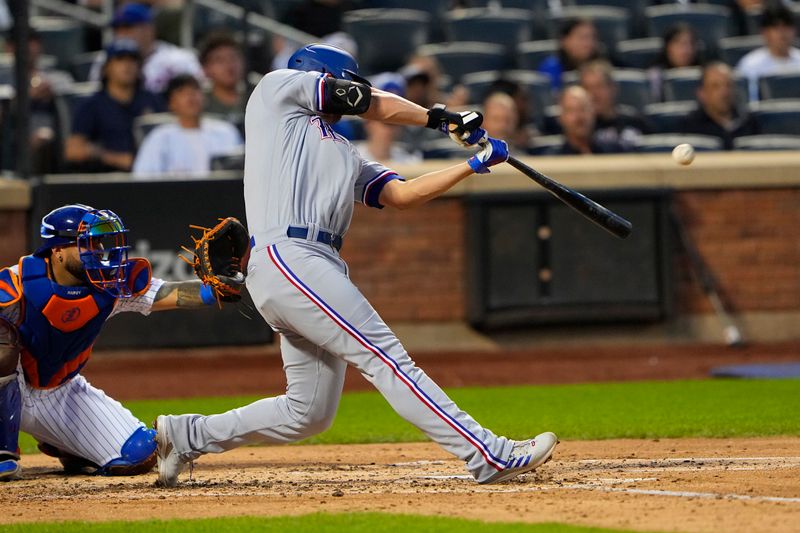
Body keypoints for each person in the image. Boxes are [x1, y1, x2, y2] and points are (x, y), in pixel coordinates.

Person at [154, 43, 558, 487]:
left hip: (311, 265)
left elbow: (400, 195)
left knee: (307, 412)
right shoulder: (276, 91)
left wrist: (472, 164)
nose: (353, 90)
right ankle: (488, 454)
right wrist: (441, 118)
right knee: (387, 359)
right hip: (291, 257)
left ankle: (187, 433)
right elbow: (368, 101)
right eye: (347, 81)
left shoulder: (344, 151)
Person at [0, 204, 239, 480]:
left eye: (99, 241)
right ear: (58, 251)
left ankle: (66, 444)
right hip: (11, 383)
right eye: (87, 243)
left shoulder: (108, 282)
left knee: (138, 453)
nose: (98, 250)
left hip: (59, 391)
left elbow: (167, 293)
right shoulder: (17, 284)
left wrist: (215, 289)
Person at [65, 39, 164, 173]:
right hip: (106, 179)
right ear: (106, 68)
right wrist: (113, 158)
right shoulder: (91, 105)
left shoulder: (153, 100)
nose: (127, 65)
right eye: (120, 60)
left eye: (132, 60)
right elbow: (73, 151)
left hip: (150, 174)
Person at [132, 74, 243, 178]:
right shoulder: (159, 137)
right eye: (182, 92)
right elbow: (143, 177)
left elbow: (242, 170)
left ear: (204, 98)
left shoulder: (226, 131)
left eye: (195, 90)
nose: (190, 96)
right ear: (171, 103)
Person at [89, 3, 203, 94]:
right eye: (117, 30)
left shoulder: (179, 59)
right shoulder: (106, 60)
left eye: (128, 28)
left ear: (149, 29)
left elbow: (198, 93)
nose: (122, 35)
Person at [681, 62, 759, 150]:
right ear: (702, 93)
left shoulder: (749, 122)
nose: (724, 92)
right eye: (715, 86)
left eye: (728, 85)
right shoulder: (690, 127)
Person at [580, 60, 650, 151]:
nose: (593, 94)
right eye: (587, 88)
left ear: (612, 88)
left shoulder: (634, 121)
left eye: (599, 86)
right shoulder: (579, 128)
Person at [736, 3, 800, 101]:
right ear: (764, 32)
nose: (782, 33)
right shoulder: (750, 64)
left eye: (787, 26)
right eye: (776, 27)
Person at [354, 73, 422, 164]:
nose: (391, 129)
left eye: (396, 121)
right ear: (368, 121)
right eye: (385, 120)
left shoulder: (410, 161)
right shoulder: (353, 158)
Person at [548, 85, 623, 155]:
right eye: (571, 110)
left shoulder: (614, 152)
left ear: (593, 113)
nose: (579, 117)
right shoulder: (551, 159)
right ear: (561, 117)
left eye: (583, 109)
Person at [537, 18, 600, 91]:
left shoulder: (603, 67)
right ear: (564, 40)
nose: (589, 43)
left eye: (593, 37)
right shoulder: (551, 68)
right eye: (582, 38)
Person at [199, 32, 248, 122]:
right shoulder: (199, 104)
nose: (229, 65)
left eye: (233, 57)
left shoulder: (257, 98)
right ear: (205, 69)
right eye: (220, 60)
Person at [647, 24, 702, 102]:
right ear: (668, 47)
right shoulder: (655, 76)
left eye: (691, 43)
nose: (686, 50)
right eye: (680, 43)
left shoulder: (704, 75)